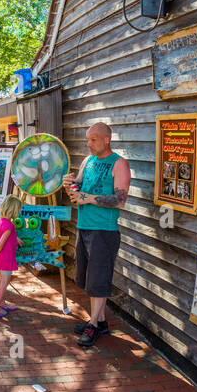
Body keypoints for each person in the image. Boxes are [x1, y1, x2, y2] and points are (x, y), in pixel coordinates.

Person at [66, 121, 130, 347]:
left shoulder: (119, 164)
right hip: (84, 226)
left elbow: (120, 200)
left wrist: (89, 198)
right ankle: (100, 322)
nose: (88, 144)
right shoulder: (87, 161)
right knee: (87, 277)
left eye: (93, 139)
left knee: (99, 279)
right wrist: (70, 185)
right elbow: (78, 191)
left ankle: (93, 324)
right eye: (87, 139)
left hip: (105, 231)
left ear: (106, 140)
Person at [0, 195, 23, 319]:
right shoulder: (10, 226)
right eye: (18, 210)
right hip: (5, 258)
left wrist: (15, 238)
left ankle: (1, 303)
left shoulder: (0, 220)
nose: (19, 213)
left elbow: (4, 235)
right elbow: (1, 242)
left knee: (1, 282)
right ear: (13, 210)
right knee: (4, 283)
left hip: (2, 258)